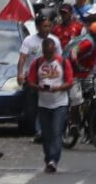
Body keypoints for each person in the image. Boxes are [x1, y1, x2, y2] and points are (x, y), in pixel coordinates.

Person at [27, 35, 73, 174]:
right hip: (43, 103)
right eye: (46, 54)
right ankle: (48, 159)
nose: (49, 57)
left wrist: (59, 88)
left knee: (56, 131)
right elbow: (31, 81)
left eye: (51, 53)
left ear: (55, 51)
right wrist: (38, 87)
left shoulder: (63, 62)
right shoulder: (37, 63)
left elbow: (70, 81)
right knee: (46, 134)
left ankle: (54, 159)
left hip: (60, 103)